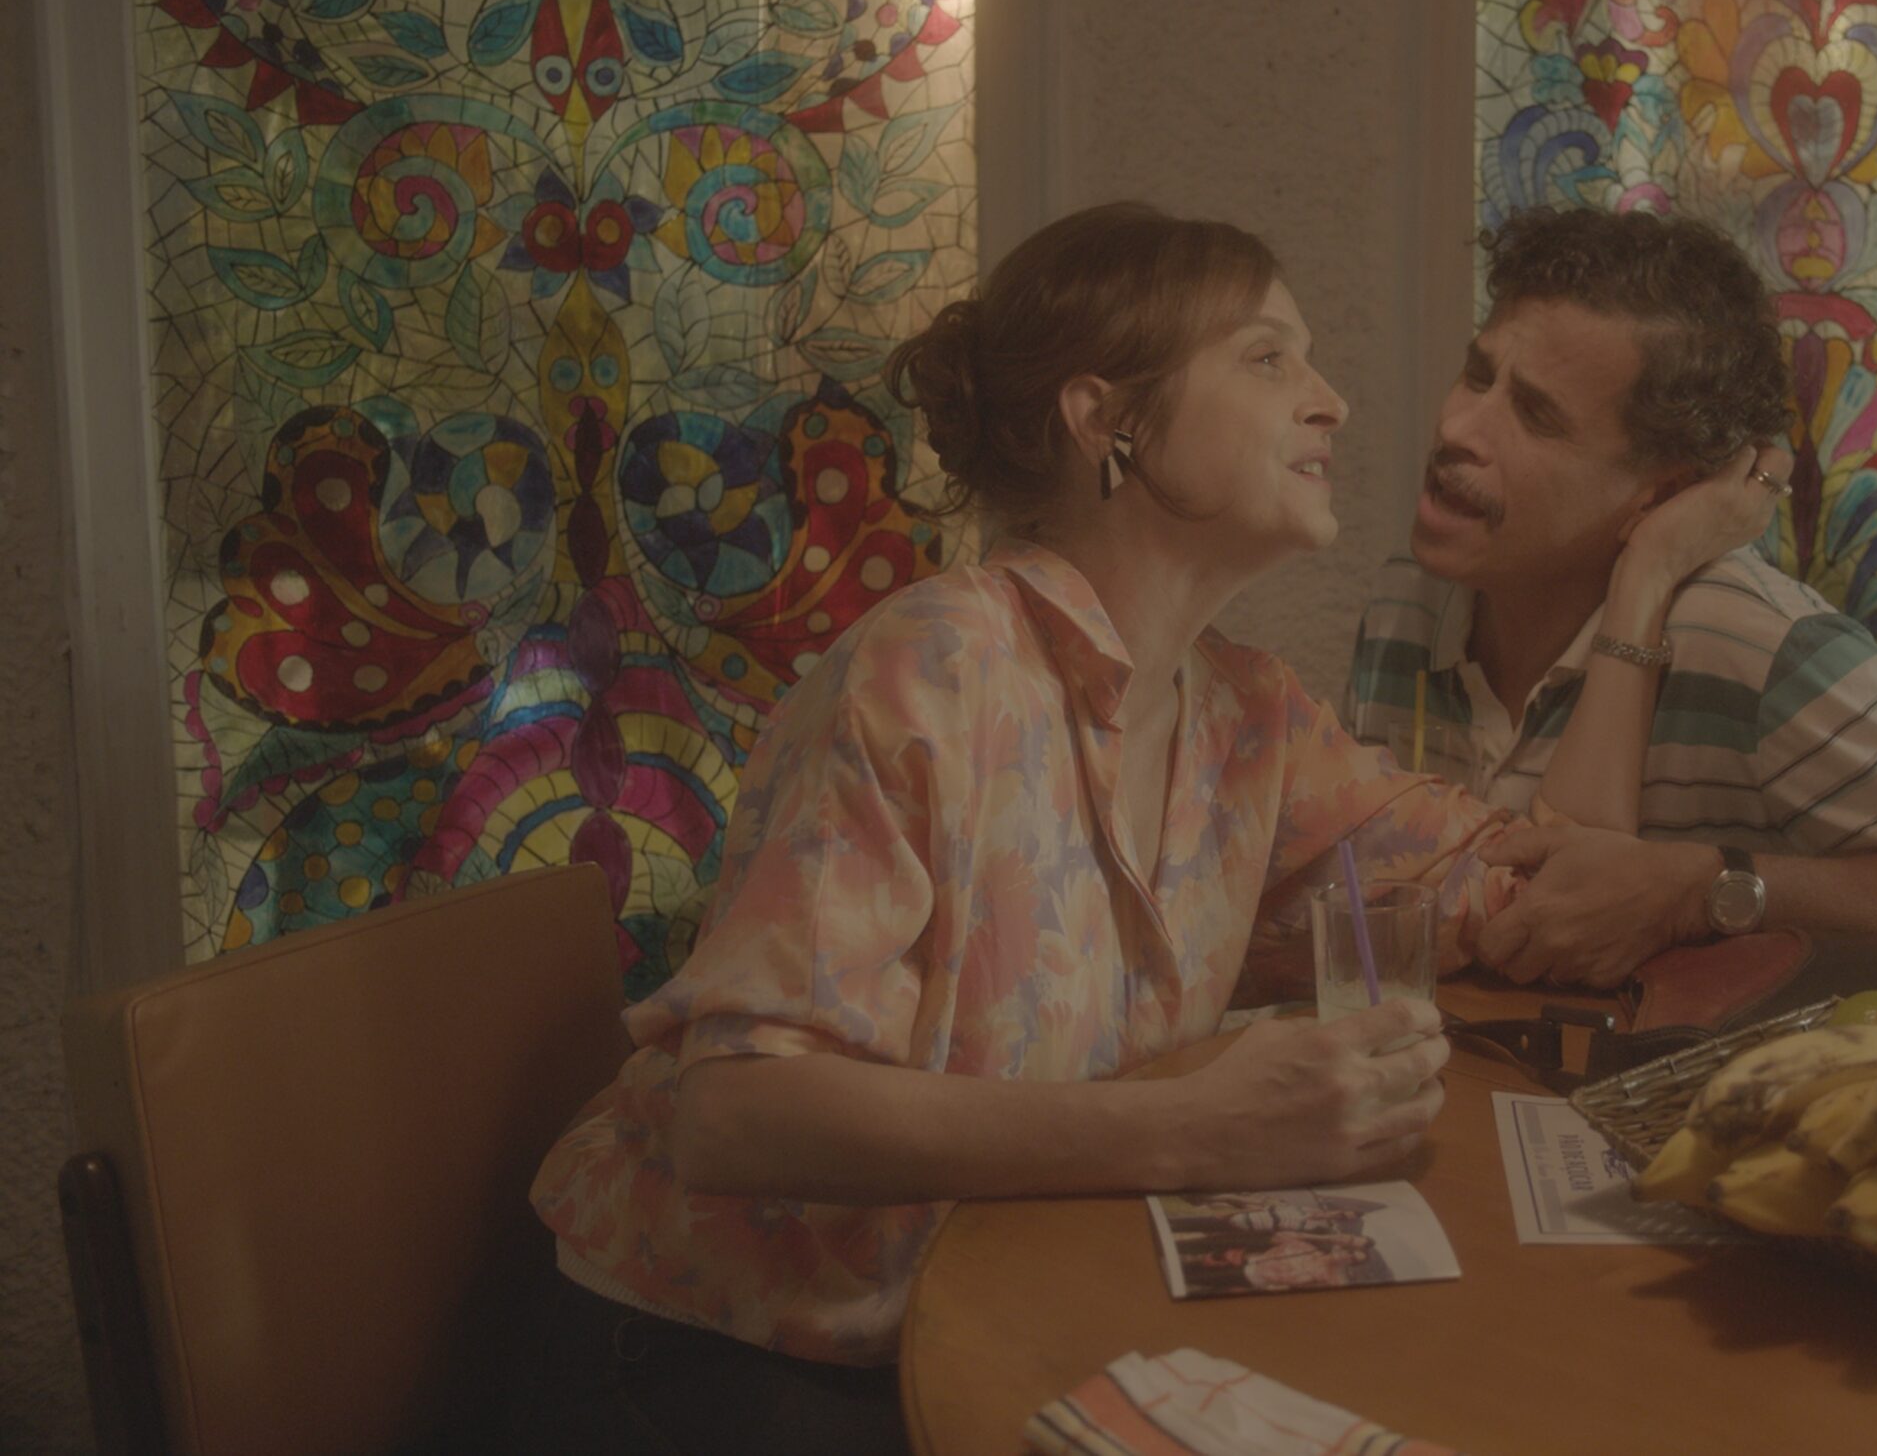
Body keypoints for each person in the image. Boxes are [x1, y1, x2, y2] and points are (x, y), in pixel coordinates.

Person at [500, 203, 1773, 1454]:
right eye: (1268, 358)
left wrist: (1644, 573)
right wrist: (1197, 1127)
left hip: (985, 1314)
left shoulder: (1249, 715)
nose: (1332, 401)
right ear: (1108, 420)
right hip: (718, 1351)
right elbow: (736, 1114)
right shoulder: (935, 666)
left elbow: (1563, 887)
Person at [1342, 207, 1877, 989]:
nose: (1457, 427)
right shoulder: (1412, 603)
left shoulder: (1757, 644)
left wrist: (1708, 888)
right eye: (1476, 374)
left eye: (1535, 415)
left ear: (1662, 493)